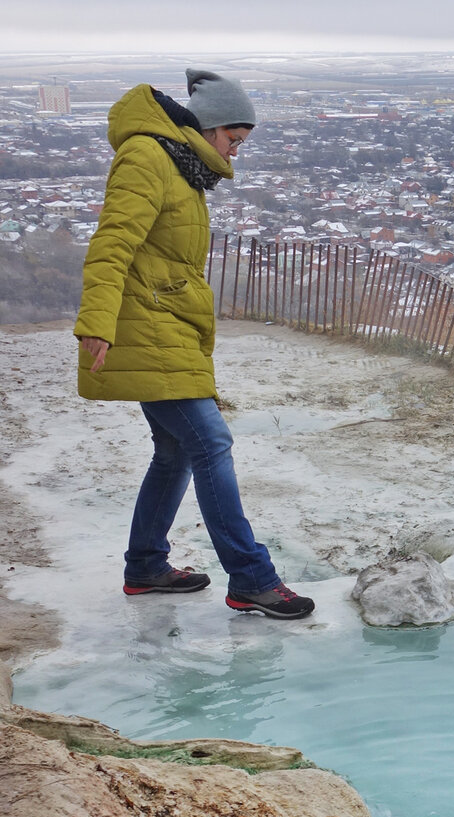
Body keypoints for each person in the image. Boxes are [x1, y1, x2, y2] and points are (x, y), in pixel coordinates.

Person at [75, 68, 314, 620]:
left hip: (170, 326)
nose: (236, 151)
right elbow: (113, 242)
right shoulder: (147, 158)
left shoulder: (180, 166)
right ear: (207, 128)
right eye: (233, 139)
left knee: (177, 449)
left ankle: (146, 566)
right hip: (147, 327)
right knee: (209, 443)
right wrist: (97, 321)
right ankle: (252, 578)